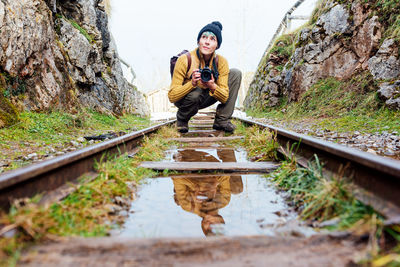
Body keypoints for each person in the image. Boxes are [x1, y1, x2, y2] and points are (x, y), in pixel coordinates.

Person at [168, 21, 242, 133]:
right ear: (198, 41)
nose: (207, 42)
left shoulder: (221, 62)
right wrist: (192, 84)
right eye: (204, 37)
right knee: (196, 92)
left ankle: (222, 120)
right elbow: (172, 96)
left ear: (217, 45)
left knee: (236, 73)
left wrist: (212, 86)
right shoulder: (185, 59)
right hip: (186, 100)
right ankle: (182, 120)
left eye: (213, 39)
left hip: (206, 97)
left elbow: (224, 97)